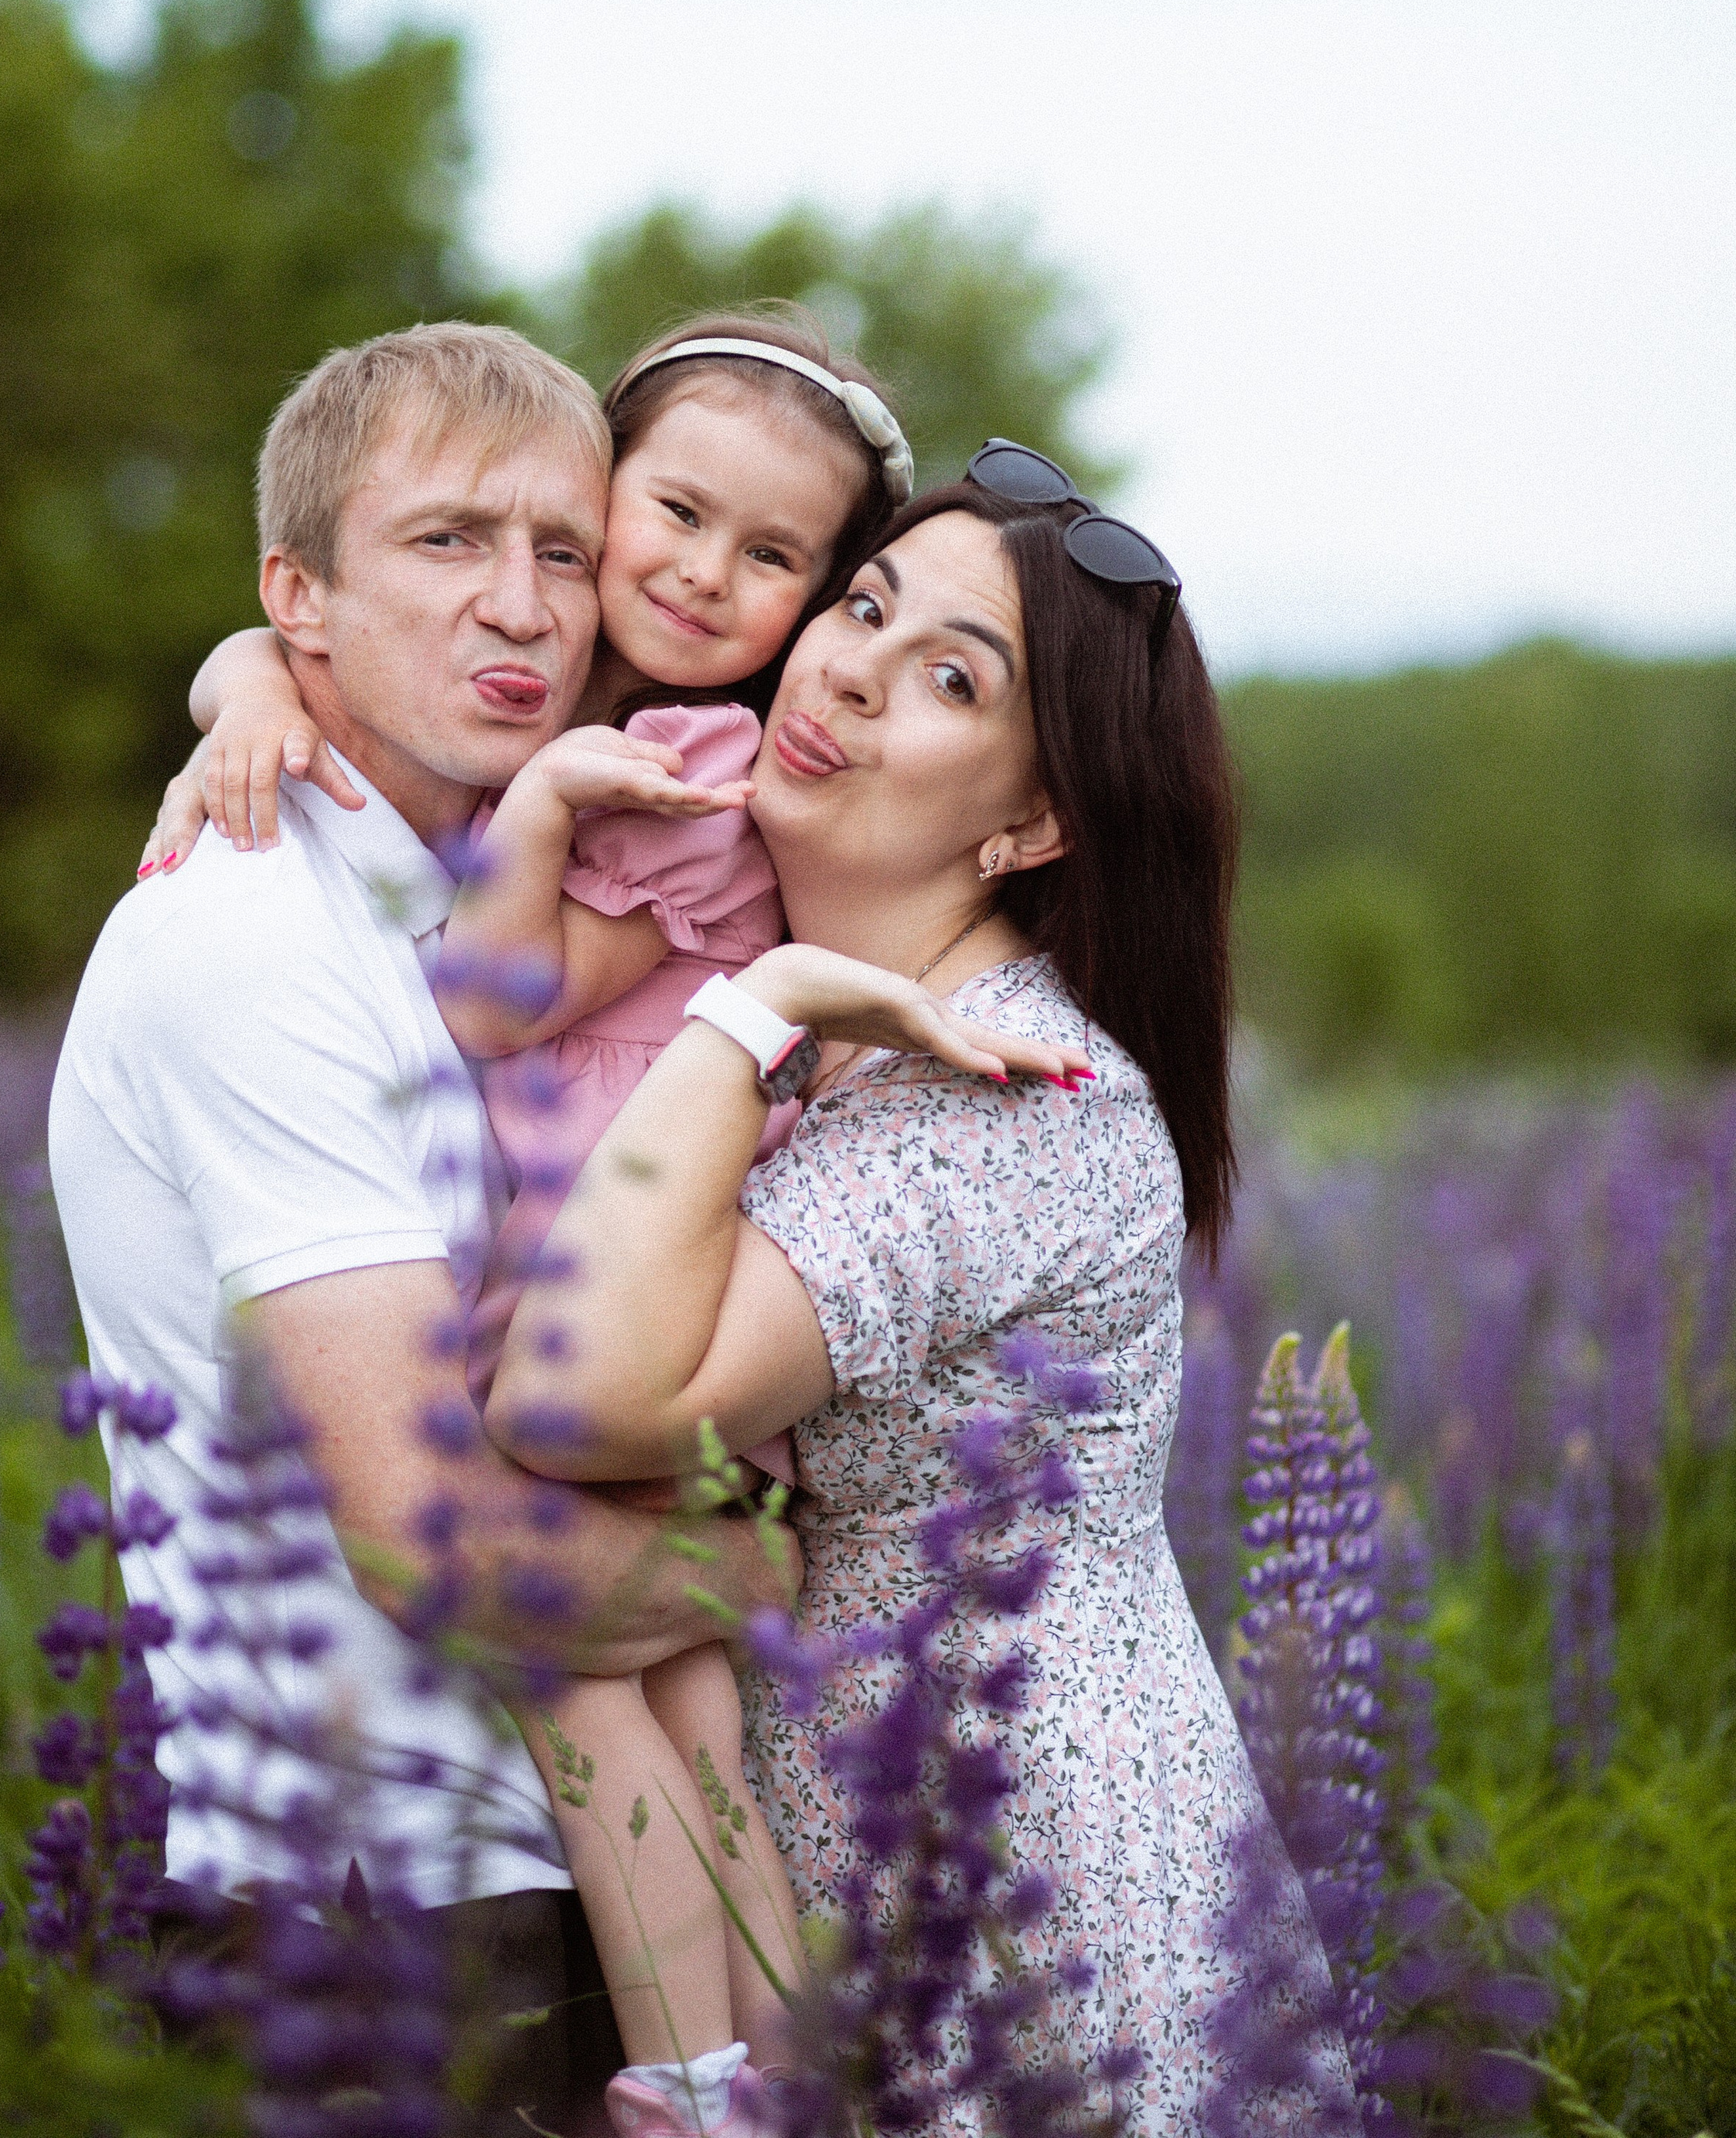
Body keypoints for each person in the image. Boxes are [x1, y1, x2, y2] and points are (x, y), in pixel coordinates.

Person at [484, 451, 1354, 2130]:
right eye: (863, 607)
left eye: (950, 675)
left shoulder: (1005, 1098)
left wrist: (754, 1001)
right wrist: (247, 693)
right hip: (861, 1895)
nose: (853, 667)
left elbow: (570, 1394)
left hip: (1022, 1931)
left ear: (1030, 822)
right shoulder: (867, 1044)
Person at [138, 311, 919, 2129]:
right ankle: (788, 2071)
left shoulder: (677, 774)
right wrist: (247, 680)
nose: (692, 576)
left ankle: (698, 2076)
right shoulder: (509, 749)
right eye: (659, 521)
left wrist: (556, 800)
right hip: (606, 1291)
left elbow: (496, 999)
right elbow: (286, 628)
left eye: (769, 557)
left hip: (601, 1292)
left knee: (600, 1707)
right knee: (701, 1712)